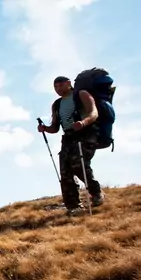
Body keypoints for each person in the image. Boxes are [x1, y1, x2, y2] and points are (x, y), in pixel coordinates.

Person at [38, 75, 105, 215]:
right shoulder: (57, 104)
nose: (57, 88)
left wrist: (83, 123)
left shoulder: (81, 94)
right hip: (68, 137)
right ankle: (73, 206)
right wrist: (45, 129)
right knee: (65, 171)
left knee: (78, 164)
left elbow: (94, 113)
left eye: (60, 85)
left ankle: (96, 193)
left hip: (86, 134)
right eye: (55, 86)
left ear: (68, 83)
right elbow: (55, 128)